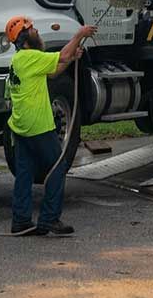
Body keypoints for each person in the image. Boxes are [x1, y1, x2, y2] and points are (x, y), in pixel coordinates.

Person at [5, 15, 96, 237]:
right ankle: (50, 218)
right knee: (57, 168)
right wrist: (79, 35)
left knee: (25, 173)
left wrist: (72, 59)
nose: (37, 31)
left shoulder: (19, 61)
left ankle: (21, 220)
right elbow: (61, 54)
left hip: (21, 126)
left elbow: (54, 70)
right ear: (25, 38)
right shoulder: (30, 57)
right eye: (32, 29)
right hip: (38, 125)